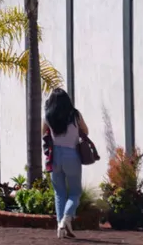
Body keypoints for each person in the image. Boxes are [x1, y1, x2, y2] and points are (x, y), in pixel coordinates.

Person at [43, 88, 89, 239]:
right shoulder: (75, 115)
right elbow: (86, 131)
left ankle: (60, 225)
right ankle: (66, 218)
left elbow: (43, 133)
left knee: (59, 193)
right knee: (75, 192)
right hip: (71, 155)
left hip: (55, 155)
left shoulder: (48, 116)